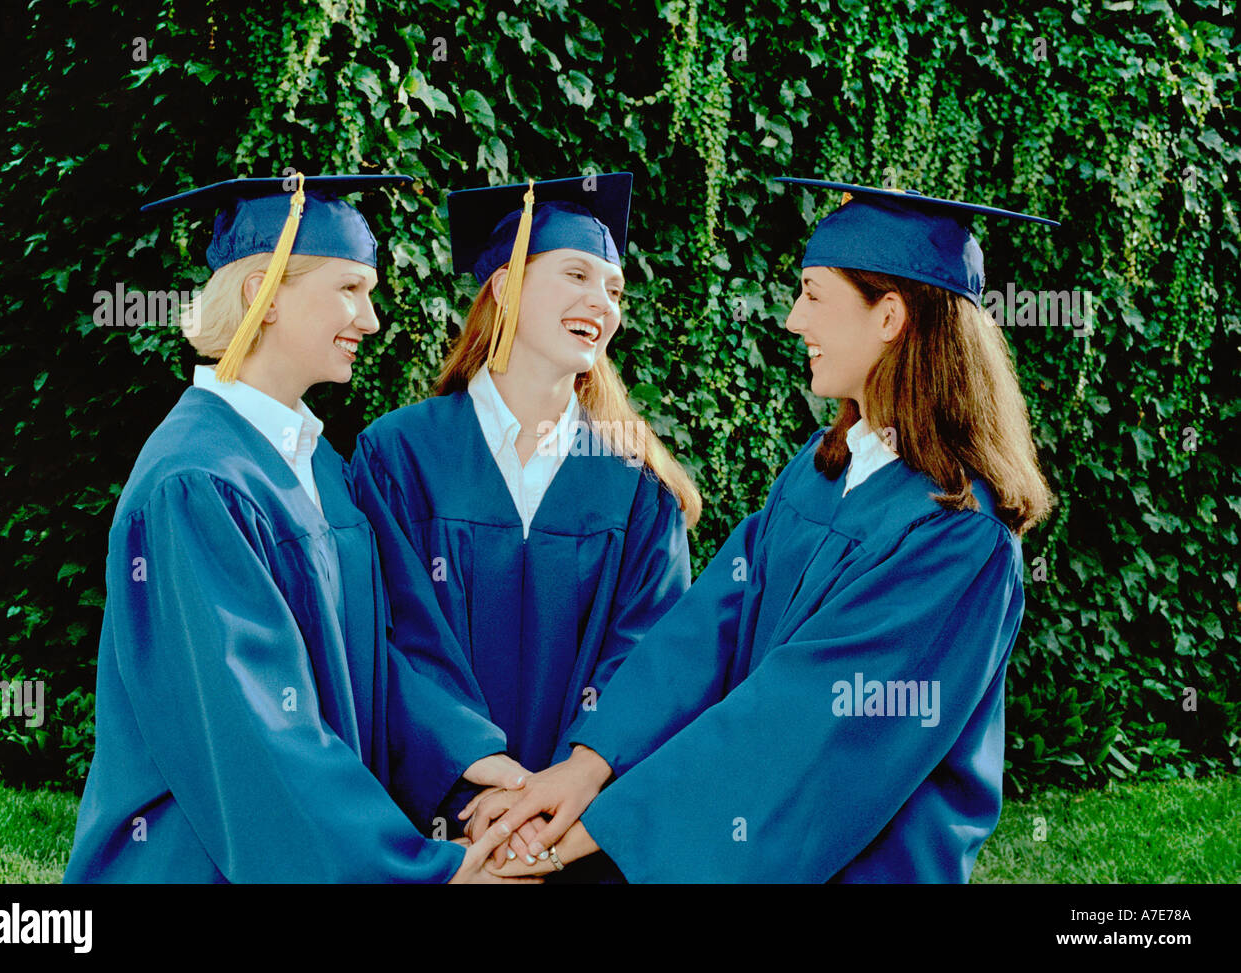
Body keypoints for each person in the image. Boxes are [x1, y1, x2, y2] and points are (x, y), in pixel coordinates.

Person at [474, 178, 1059, 882]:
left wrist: (579, 835)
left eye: (813, 293)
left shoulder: (960, 538)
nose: (791, 318)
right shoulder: (820, 470)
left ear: (890, 316)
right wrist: (587, 763)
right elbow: (710, 627)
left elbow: (805, 726)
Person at [64, 173, 531, 883]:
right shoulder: (196, 482)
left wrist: (469, 762)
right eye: (349, 289)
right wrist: (420, 871)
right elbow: (257, 733)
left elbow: (372, 659)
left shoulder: (318, 466)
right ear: (265, 294)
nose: (371, 318)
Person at [348, 173, 699, 873]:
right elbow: (390, 641)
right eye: (577, 274)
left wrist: (555, 797)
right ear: (505, 285)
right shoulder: (400, 456)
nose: (601, 303)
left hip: (582, 836)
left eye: (615, 290)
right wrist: (481, 778)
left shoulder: (636, 486)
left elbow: (650, 663)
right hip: (441, 832)